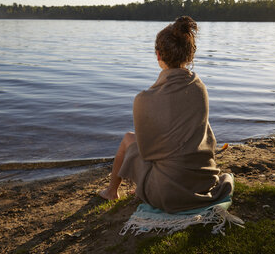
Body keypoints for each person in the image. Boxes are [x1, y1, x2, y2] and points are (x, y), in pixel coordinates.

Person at [99, 16, 233, 213]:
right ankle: (134, 187)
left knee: (129, 139)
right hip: (203, 184)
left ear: (158, 55)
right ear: (190, 55)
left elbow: (147, 151)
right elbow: (202, 137)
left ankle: (111, 191)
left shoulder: (144, 98)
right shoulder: (199, 87)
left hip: (168, 194)